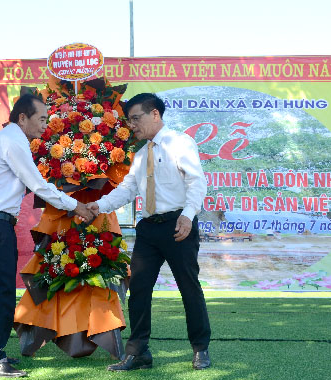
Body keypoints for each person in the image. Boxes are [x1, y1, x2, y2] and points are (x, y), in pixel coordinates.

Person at [0, 93, 96, 378]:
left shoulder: (7, 139)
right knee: (2, 290)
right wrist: (76, 204)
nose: (45, 126)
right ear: (22, 117)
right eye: (41, 119)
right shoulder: (13, 141)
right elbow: (37, 185)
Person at [86, 93, 211, 371]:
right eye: (129, 121)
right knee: (139, 288)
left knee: (189, 287)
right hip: (148, 229)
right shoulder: (141, 154)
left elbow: (196, 182)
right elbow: (128, 190)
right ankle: (138, 352)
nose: (132, 125)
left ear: (155, 114)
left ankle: (200, 348)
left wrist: (188, 217)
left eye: (136, 118)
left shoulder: (180, 143)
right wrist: (99, 206)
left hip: (179, 225)